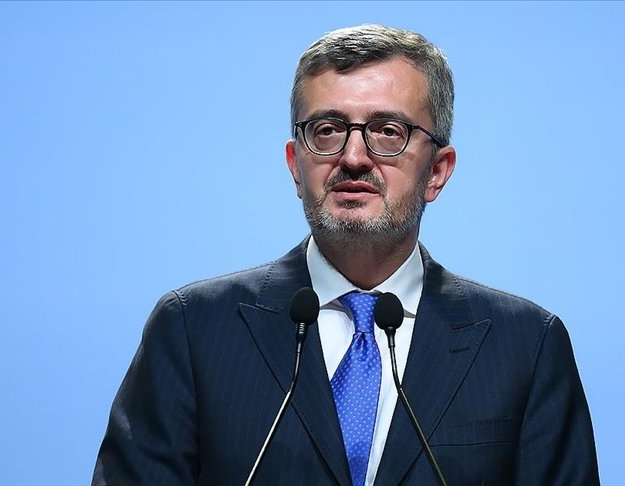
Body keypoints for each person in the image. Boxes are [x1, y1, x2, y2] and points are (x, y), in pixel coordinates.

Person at [94, 24, 599, 485]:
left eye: (388, 131)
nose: (354, 157)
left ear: (438, 171)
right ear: (296, 164)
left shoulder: (526, 347)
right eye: (327, 130)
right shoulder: (193, 330)